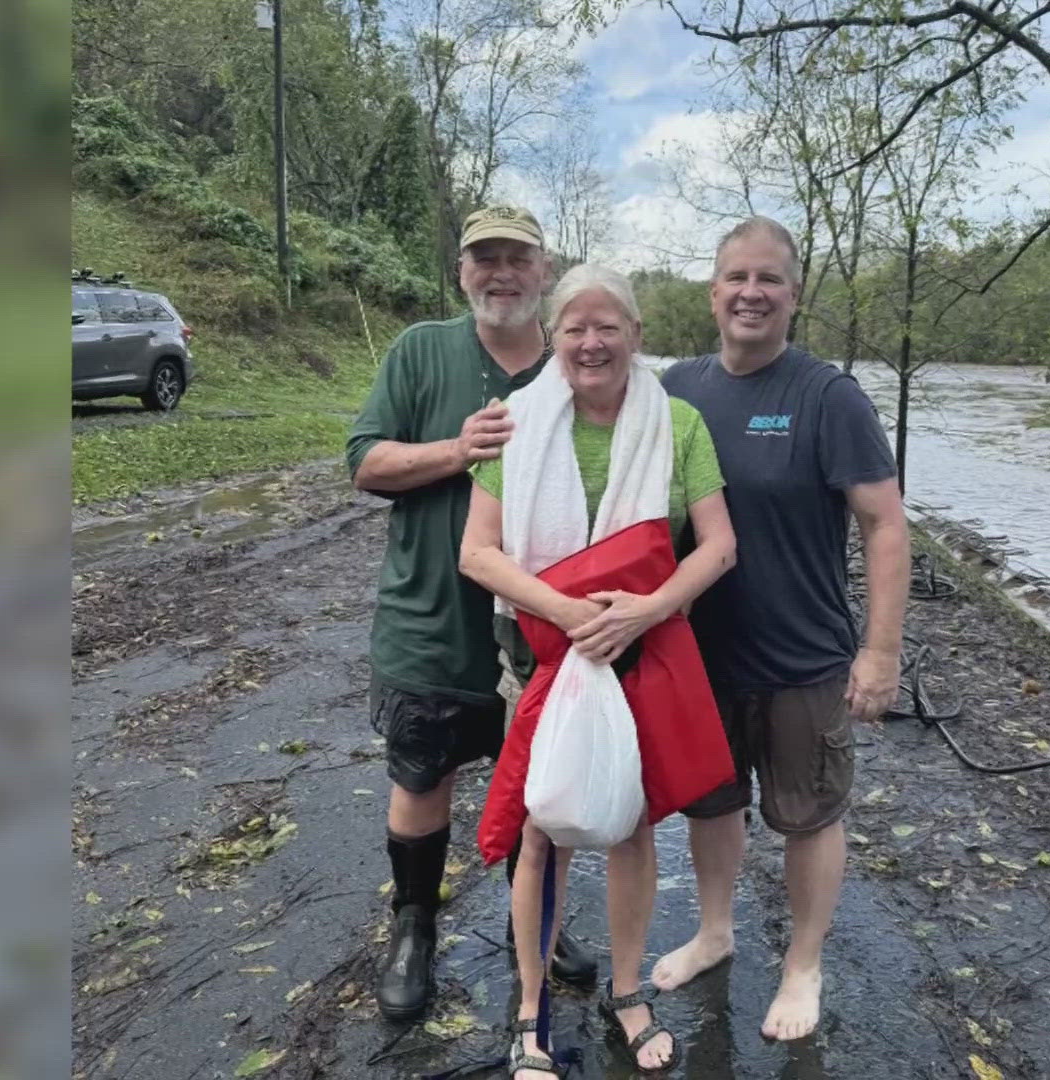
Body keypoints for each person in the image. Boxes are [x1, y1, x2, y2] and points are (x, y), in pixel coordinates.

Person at [459, 264, 738, 1077]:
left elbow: (719, 544)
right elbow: (477, 552)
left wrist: (646, 611)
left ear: (636, 336)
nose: (591, 341)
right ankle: (530, 1009)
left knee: (630, 820)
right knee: (544, 825)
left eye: (608, 325)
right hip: (552, 652)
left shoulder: (677, 424)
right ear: (554, 338)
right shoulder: (517, 421)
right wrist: (567, 611)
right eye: (575, 326)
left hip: (640, 653)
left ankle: (625, 991)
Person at [654, 216, 912, 1041]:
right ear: (713, 291)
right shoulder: (678, 388)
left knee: (810, 815)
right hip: (702, 655)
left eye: (769, 279)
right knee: (711, 802)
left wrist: (879, 651)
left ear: (794, 296)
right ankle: (715, 930)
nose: (751, 293)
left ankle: (803, 964)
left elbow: (885, 525)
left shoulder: (826, 396)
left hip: (804, 659)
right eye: (737, 277)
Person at [344, 205, 597, 1023]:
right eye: (484, 259)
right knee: (423, 777)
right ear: (461, 272)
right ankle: (413, 928)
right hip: (429, 621)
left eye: (517, 259)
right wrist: (459, 449)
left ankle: (543, 926)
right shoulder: (421, 350)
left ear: (544, 270)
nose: (501, 273)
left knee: (545, 788)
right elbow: (366, 462)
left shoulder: (574, 369)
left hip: (543, 629)